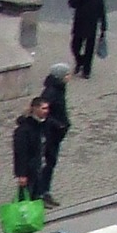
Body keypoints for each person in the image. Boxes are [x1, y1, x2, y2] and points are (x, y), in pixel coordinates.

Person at [11, 96, 50, 220]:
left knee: (33, 198)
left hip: (36, 168)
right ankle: (20, 230)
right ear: (35, 109)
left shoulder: (40, 124)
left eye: (47, 108)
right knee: (24, 201)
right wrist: (21, 174)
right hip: (28, 170)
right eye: (43, 108)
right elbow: (20, 153)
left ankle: (29, 225)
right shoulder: (24, 130)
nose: (46, 111)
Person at [38, 63, 70, 208]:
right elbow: (43, 113)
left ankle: (44, 192)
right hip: (50, 134)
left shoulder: (59, 88)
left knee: (50, 163)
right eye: (67, 74)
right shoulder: (51, 92)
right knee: (47, 164)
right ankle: (41, 193)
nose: (69, 77)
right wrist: (59, 124)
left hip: (55, 133)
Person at [67, 0, 107, 79]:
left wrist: (103, 27)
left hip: (91, 25)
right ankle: (80, 61)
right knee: (75, 46)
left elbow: (102, 11)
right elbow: (72, 4)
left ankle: (86, 71)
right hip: (79, 24)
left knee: (89, 49)